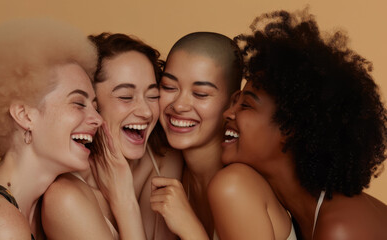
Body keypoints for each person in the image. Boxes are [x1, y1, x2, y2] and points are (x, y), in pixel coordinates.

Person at [216, 9, 387, 240]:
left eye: (245, 105)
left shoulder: (341, 229)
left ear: (290, 127)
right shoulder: (297, 209)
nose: (228, 113)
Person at [0, 19, 102, 239]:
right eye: (78, 103)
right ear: (25, 115)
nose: (98, 119)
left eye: (95, 106)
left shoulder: (42, 209)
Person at [149, 32, 292, 240]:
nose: (179, 105)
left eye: (200, 94)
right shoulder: (174, 172)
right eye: (169, 87)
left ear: (233, 102)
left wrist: (190, 228)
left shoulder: (235, 186)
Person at [42, 33, 183, 240]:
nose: (146, 112)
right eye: (126, 97)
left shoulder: (164, 160)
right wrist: (124, 203)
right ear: (91, 102)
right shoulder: (65, 198)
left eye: (152, 96)